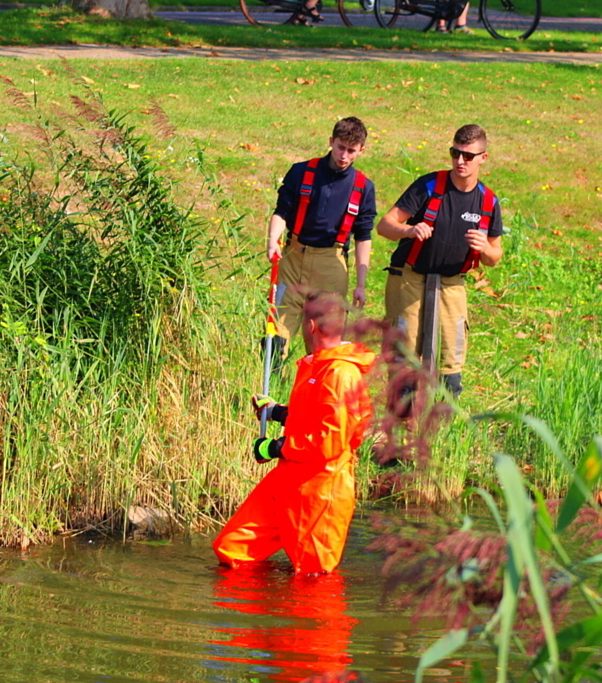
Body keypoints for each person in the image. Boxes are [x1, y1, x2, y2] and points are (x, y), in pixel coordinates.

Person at [214, 292, 375, 575]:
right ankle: (267, 601)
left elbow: (330, 441)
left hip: (321, 488)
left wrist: (276, 447)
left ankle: (288, 602)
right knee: (232, 551)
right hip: (288, 479)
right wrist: (276, 412)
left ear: (310, 326)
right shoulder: (315, 365)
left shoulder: (341, 374)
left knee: (313, 576)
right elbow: (312, 419)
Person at [377, 124, 504, 399]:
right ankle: (401, 420)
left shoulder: (488, 201)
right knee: (404, 358)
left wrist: (484, 248)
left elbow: (495, 256)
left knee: (451, 361)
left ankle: (443, 420)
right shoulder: (429, 186)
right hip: (410, 279)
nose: (460, 161)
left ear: (483, 158)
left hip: (452, 284)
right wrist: (409, 230)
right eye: (455, 153)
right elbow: (385, 225)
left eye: (468, 156)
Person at [266, 117, 376, 363]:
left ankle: (317, 386)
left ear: (361, 150)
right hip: (293, 259)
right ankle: (273, 384)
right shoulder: (301, 172)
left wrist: (361, 283)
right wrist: (273, 240)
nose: (344, 156)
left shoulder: (363, 187)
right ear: (331, 141)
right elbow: (281, 212)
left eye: (351, 151)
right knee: (275, 337)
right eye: (340, 147)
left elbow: (363, 236)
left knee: (325, 346)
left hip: (331, 266)